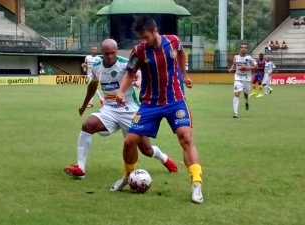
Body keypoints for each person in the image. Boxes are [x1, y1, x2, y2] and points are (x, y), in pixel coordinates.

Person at [111, 16, 203, 204]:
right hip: (150, 104)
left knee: (186, 138)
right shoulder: (139, 52)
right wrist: (121, 91)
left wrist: (184, 74)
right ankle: (128, 177)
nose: (142, 41)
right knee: (130, 142)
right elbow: (129, 74)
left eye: (145, 37)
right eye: (140, 38)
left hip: (175, 100)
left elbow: (181, 54)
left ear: (155, 32)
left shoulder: (173, 42)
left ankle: (196, 184)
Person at [64, 39, 178, 179]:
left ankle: (164, 159)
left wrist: (138, 81)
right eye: (106, 53)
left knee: (146, 150)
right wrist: (84, 104)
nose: (110, 56)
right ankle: (80, 169)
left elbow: (139, 75)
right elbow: (93, 86)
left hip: (130, 111)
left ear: (116, 51)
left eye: (113, 53)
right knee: (88, 125)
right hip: (109, 110)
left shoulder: (125, 63)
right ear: (102, 52)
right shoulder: (97, 66)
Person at [229, 43, 257, 118]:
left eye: (245, 47)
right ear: (240, 49)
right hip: (238, 78)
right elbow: (234, 63)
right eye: (242, 47)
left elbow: (256, 67)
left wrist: (246, 68)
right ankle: (235, 113)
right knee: (237, 94)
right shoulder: (236, 57)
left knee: (246, 95)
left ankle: (247, 101)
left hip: (247, 79)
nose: (243, 49)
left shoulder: (249, 58)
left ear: (246, 49)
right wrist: (231, 68)